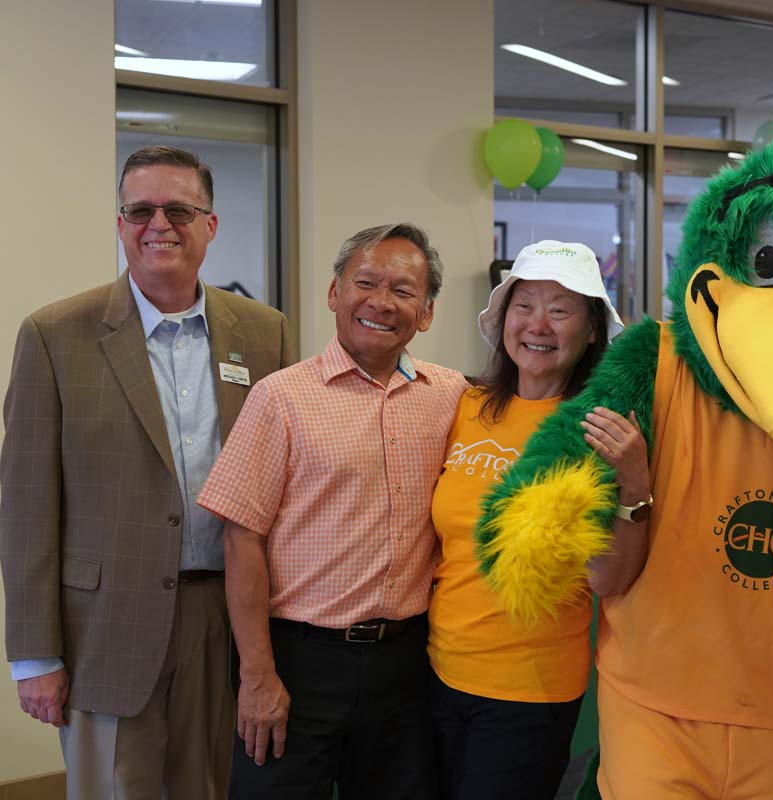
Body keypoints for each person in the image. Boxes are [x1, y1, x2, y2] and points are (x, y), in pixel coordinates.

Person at [0, 144, 294, 798]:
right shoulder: (55, 335)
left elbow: (282, 483)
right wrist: (34, 658)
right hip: (103, 628)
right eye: (140, 210)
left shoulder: (264, 333)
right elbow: (24, 506)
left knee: (209, 787)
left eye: (179, 209)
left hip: (223, 622)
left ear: (210, 225)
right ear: (120, 222)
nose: (159, 224)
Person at [197, 223, 467, 799]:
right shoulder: (281, 397)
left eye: (402, 290)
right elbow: (240, 540)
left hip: (408, 664)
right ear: (334, 293)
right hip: (299, 663)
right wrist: (257, 675)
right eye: (364, 282)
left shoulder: (452, 397)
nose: (380, 302)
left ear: (426, 313)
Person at [427, 240, 637, 799]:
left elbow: (609, 579)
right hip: (433, 671)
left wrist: (635, 480)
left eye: (561, 310)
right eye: (524, 306)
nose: (538, 325)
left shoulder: (597, 428)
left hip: (530, 688)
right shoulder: (466, 406)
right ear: (503, 320)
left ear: (592, 330)